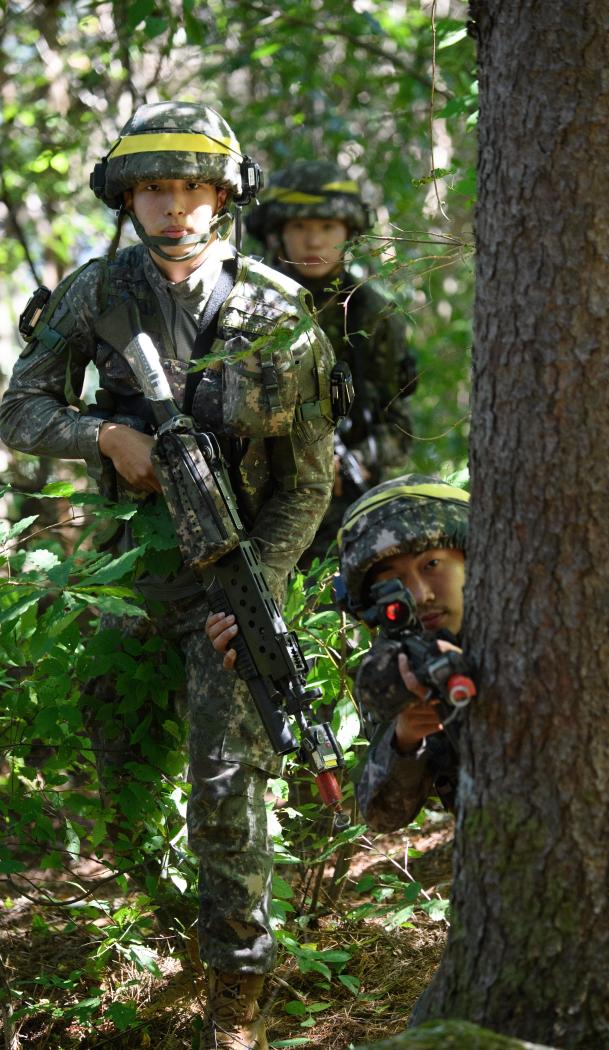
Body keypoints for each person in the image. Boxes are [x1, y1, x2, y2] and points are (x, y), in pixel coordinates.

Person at [0, 101, 338, 1050]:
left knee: (228, 781)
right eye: (155, 188)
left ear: (224, 196)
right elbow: (19, 409)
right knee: (121, 764)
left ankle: (238, 992)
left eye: (192, 188)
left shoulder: (277, 309)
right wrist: (101, 433)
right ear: (129, 197)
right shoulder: (95, 291)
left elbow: (309, 479)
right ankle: (159, 922)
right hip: (127, 569)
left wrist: (255, 591)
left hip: (236, 576)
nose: (175, 206)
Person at [245, 160, 418, 564]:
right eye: (301, 228)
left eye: (327, 228)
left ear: (349, 233)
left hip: (344, 510)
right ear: (277, 233)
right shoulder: (244, 305)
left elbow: (399, 426)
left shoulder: (371, 314)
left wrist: (358, 459)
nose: (314, 241)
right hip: (256, 502)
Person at [335, 474, 470, 833]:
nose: (420, 594)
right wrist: (407, 737)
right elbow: (381, 814)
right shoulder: (397, 664)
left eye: (432, 565)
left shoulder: (531, 618)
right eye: (393, 580)